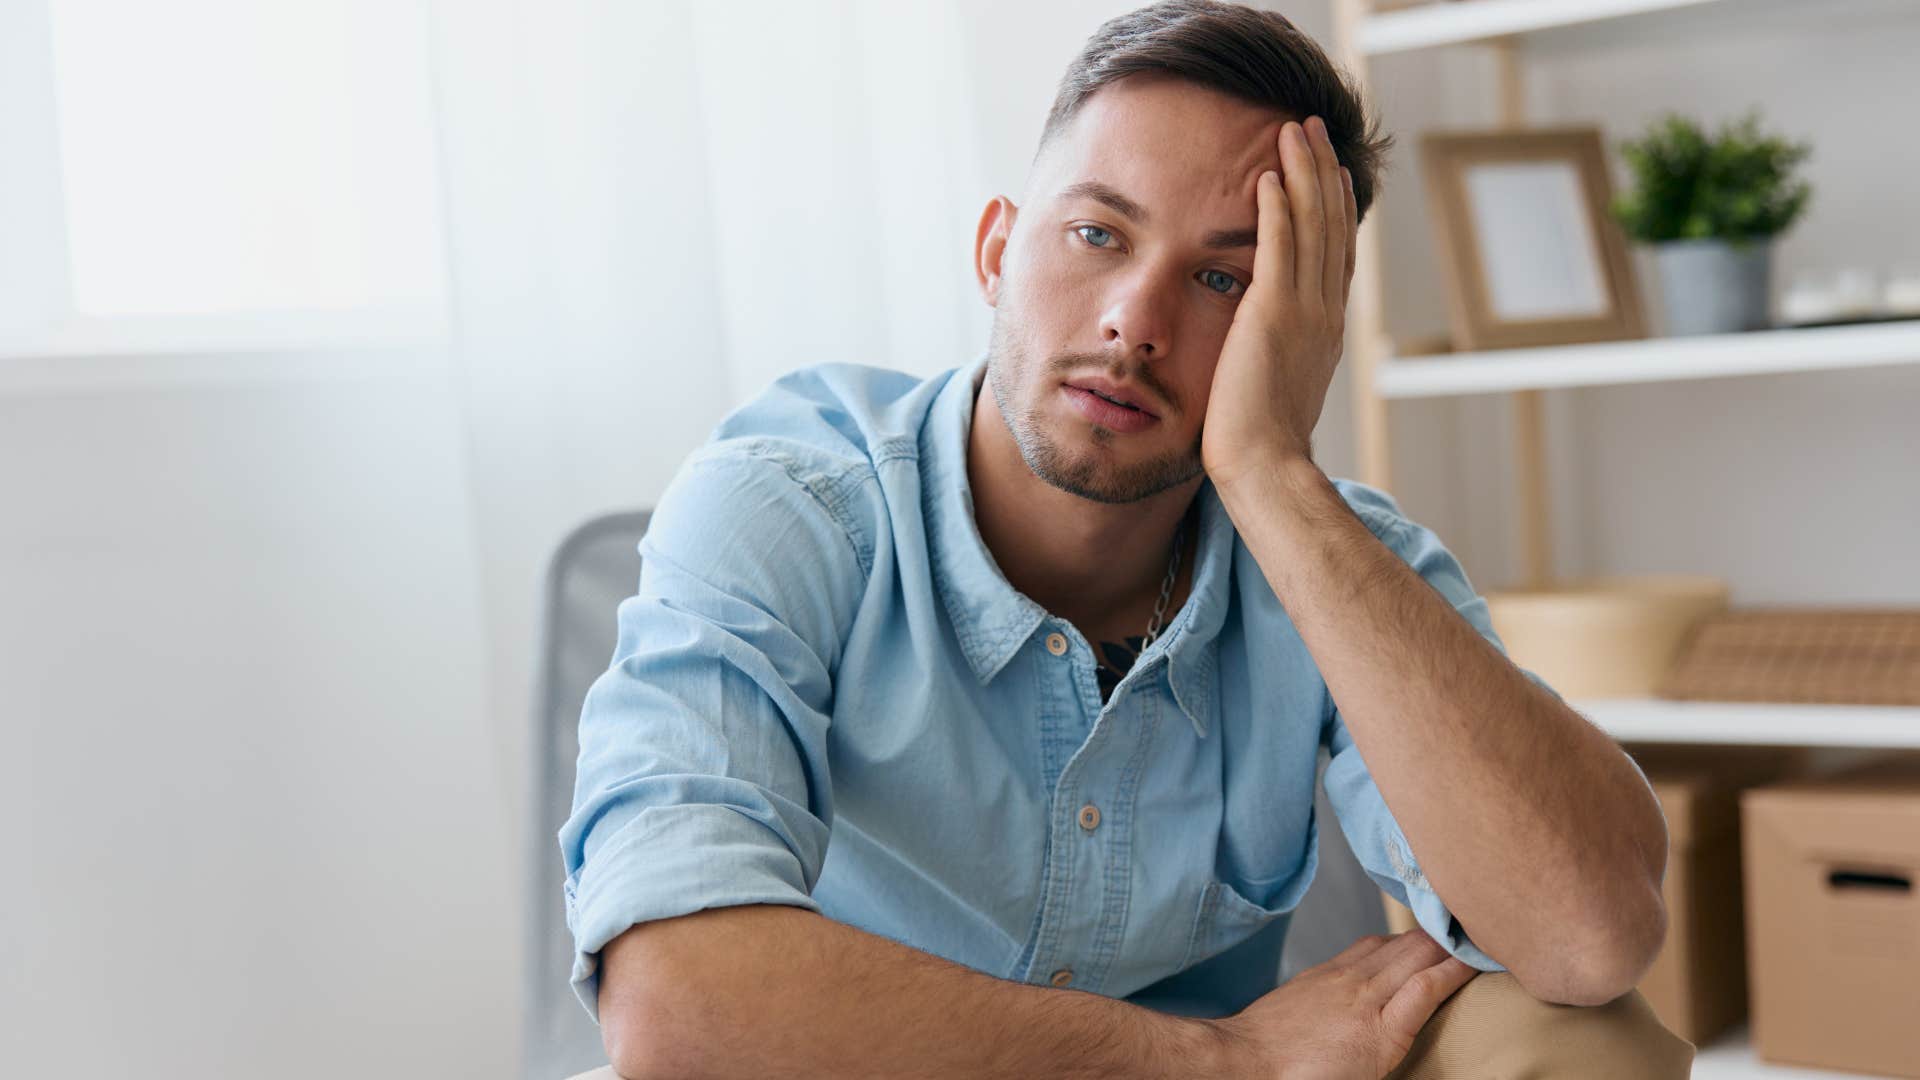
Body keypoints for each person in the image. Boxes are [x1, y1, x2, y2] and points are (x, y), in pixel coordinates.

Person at [559, 2, 1692, 1076]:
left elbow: (1589, 937)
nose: (1133, 324)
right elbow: (673, 994)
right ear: (999, 250)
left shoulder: (1337, 554)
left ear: (1296, 332)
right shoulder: (787, 501)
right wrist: (1214, 1062)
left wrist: (1275, 478)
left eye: (1221, 280)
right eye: (1098, 234)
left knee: (1587, 1042)